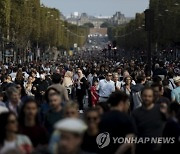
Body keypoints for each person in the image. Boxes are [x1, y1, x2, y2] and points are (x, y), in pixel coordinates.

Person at [132, 87, 166, 154]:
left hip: (158, 148)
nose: (147, 98)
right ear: (141, 96)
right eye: (145, 96)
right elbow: (133, 134)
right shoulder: (135, 113)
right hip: (141, 149)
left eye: (149, 96)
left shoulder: (161, 110)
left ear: (153, 97)